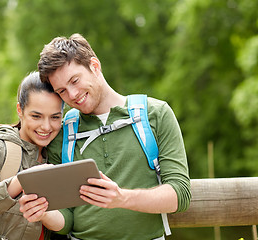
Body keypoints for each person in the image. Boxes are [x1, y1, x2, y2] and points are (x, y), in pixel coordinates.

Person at [19, 33, 191, 240]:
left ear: (95, 66)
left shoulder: (156, 114)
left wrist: (122, 198)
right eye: (62, 91)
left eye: (75, 80)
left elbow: (180, 194)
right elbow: (68, 220)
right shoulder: (63, 132)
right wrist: (43, 212)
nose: (72, 95)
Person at [0, 71, 63, 240]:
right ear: (20, 110)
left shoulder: (60, 151)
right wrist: (21, 180)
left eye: (55, 117)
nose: (46, 127)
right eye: (36, 116)